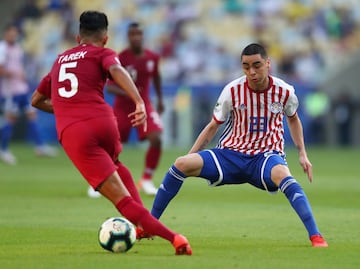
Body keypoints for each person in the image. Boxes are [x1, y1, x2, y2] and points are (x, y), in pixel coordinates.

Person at [31, 10, 192, 255]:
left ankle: (175, 238)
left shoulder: (59, 60)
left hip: (76, 133)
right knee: (117, 165)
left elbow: (37, 100)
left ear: (77, 37)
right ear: (105, 38)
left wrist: (67, 109)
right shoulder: (104, 53)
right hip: (104, 121)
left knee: (121, 200)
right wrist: (139, 101)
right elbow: (116, 71)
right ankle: (144, 226)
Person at [151, 43, 328, 248]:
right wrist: (190, 157)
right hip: (230, 155)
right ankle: (149, 225)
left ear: (268, 64)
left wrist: (302, 154)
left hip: (265, 156)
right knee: (180, 164)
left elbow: (293, 119)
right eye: (246, 67)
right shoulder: (232, 90)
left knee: (283, 175)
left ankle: (316, 236)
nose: (251, 72)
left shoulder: (285, 91)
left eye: (257, 65)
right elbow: (212, 127)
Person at [105, 22, 164, 196]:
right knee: (112, 145)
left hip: (144, 105)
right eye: (132, 34)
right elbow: (110, 87)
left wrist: (160, 99)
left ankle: (146, 179)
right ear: (128, 36)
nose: (136, 37)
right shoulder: (120, 58)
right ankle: (104, 180)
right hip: (123, 108)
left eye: (138, 33)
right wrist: (129, 91)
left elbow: (157, 77)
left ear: (143, 36)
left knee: (157, 139)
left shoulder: (152, 57)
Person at [0, 23, 56, 165]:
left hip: (22, 89)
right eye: (11, 33)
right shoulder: (2, 48)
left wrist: (22, 75)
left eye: (15, 33)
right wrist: (14, 73)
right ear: (6, 34)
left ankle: (40, 146)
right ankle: (4, 149)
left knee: (32, 115)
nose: (13, 36)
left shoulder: (17, 49)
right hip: (10, 91)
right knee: (11, 119)